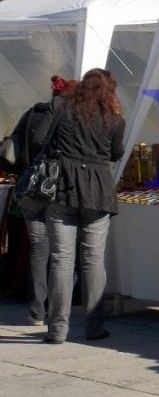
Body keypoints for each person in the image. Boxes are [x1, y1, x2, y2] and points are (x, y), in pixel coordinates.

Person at [32, 69, 125, 343]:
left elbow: (38, 138)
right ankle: (94, 327)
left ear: (83, 86)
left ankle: (57, 329)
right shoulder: (114, 119)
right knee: (93, 261)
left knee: (61, 260)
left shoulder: (62, 108)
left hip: (62, 187)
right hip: (98, 191)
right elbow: (116, 153)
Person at [6, 76, 76, 326]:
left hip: (29, 188)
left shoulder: (30, 114)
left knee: (38, 248)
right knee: (61, 251)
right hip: (57, 188)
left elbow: (11, 149)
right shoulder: (68, 117)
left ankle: (36, 310)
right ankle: (58, 308)